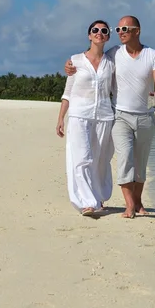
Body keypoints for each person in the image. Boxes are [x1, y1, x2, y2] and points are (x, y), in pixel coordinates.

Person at [64, 15, 155, 218]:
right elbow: (82, 69)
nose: (121, 33)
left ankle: (137, 203)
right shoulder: (112, 53)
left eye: (124, 29)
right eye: (118, 30)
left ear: (137, 31)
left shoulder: (150, 54)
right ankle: (127, 205)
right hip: (118, 115)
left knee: (138, 162)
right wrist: (69, 67)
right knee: (123, 159)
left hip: (139, 116)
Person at [56, 20, 116, 217]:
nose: (99, 33)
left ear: (107, 36)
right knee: (82, 158)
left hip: (105, 116)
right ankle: (85, 203)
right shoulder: (75, 61)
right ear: (89, 35)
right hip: (79, 115)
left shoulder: (112, 61)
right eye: (95, 30)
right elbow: (68, 92)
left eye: (104, 31)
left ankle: (98, 198)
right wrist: (60, 118)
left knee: (100, 160)